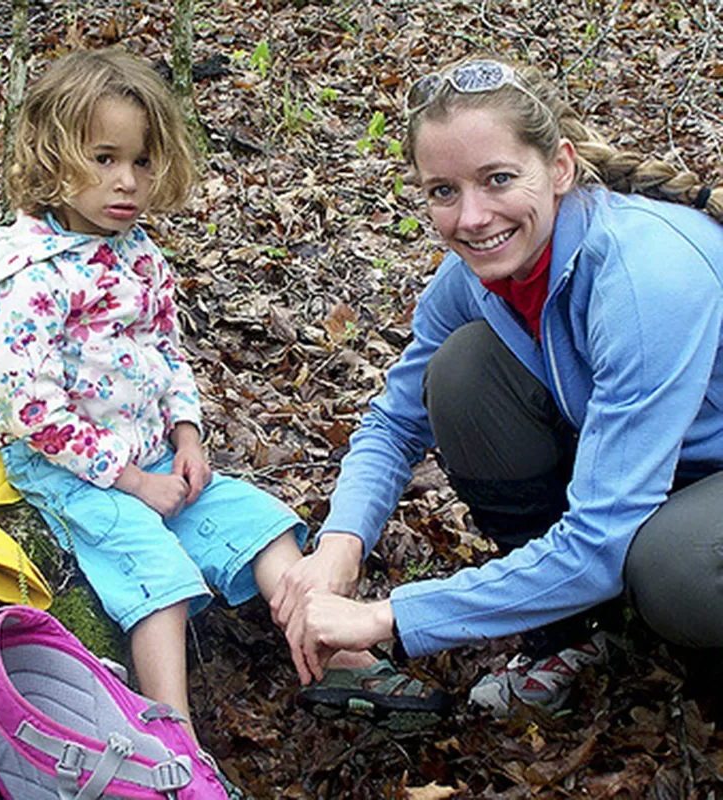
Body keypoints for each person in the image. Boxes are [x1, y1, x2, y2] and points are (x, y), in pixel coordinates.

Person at [0, 48, 448, 797]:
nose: (128, 181)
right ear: (53, 158)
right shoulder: (30, 277)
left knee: (263, 521)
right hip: (71, 469)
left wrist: (186, 438)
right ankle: (174, 739)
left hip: (155, 452)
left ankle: (331, 647)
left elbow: (165, 354)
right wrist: (131, 482)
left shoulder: (139, 255)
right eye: (104, 158)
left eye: (143, 161)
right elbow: (30, 409)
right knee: (156, 575)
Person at [271, 55, 723, 718]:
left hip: (697, 483)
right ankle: (574, 633)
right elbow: (394, 422)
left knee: (676, 568)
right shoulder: (476, 279)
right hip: (653, 468)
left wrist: (387, 618)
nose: (473, 217)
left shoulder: (642, 276)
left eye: (498, 179)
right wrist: (340, 544)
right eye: (443, 191)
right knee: (461, 372)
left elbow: (601, 541)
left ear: (560, 168)